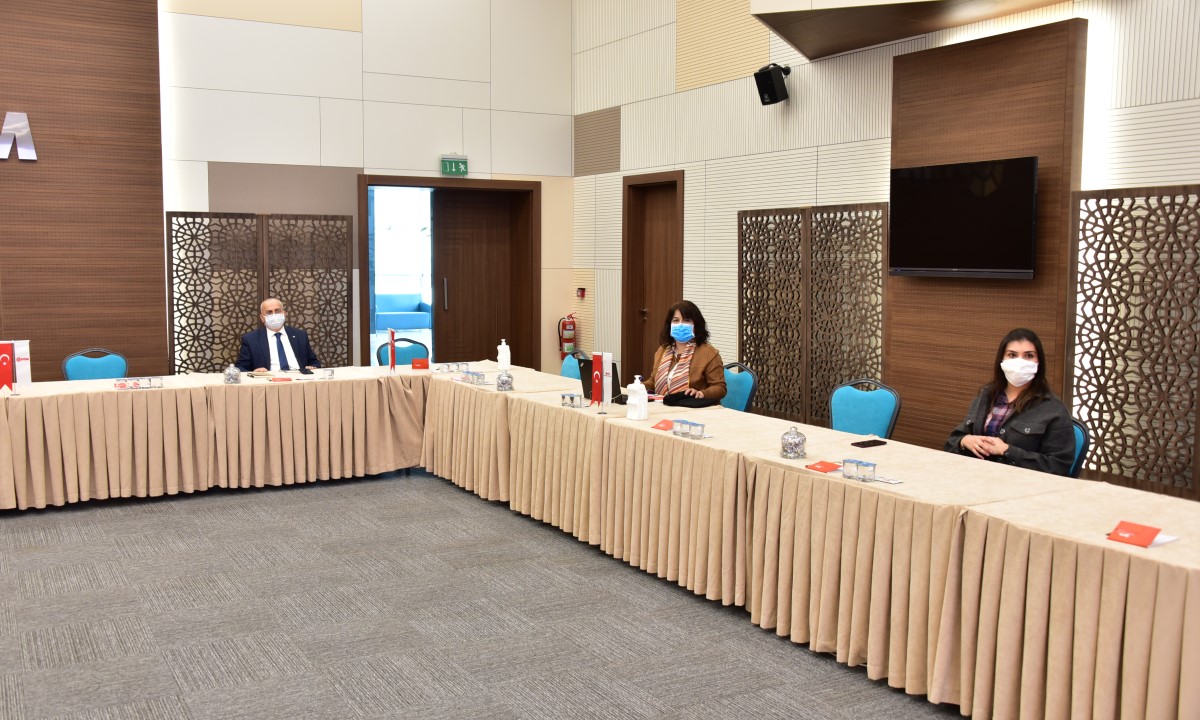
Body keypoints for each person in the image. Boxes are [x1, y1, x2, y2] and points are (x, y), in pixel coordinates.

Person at [945, 327, 1074, 476]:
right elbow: (951, 442)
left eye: (1028, 355)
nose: (1020, 362)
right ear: (1002, 360)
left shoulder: (1053, 409)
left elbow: (1059, 467)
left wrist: (1007, 451)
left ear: (1038, 362)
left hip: (1023, 485)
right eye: (1012, 355)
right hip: (977, 478)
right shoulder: (986, 396)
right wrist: (964, 441)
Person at [648, 300, 726, 401]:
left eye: (686, 320)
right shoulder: (662, 350)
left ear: (696, 324)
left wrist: (701, 393)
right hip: (664, 406)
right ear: (670, 324)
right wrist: (638, 386)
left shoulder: (709, 353)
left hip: (695, 407)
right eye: (676, 320)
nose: (680, 325)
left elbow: (720, 388)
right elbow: (653, 381)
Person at [235, 298, 321, 372]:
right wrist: (255, 372)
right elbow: (241, 367)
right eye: (269, 312)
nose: (274, 315)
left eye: (277, 311)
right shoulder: (251, 339)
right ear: (262, 318)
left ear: (284, 314)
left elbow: (314, 362)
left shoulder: (300, 335)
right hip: (269, 381)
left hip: (299, 379)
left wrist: (312, 367)